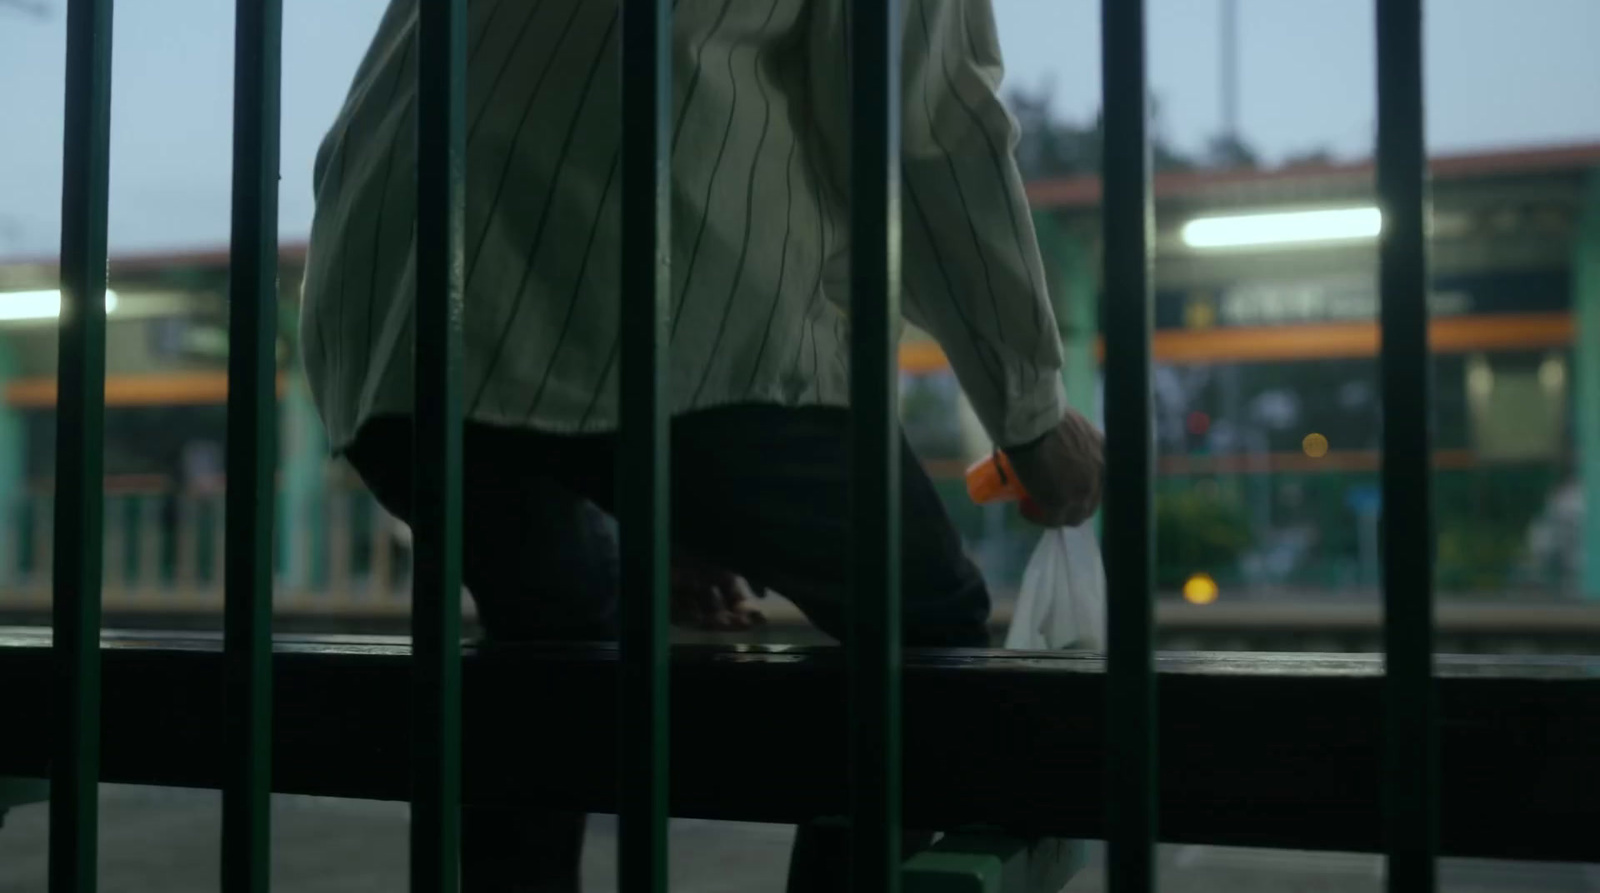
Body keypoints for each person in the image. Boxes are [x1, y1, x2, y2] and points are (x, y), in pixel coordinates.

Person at [301, 0, 1103, 887]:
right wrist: (1031, 413)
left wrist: (660, 502)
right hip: (642, 293)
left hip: (387, 318)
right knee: (923, 637)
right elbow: (927, 132)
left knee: (551, 633)